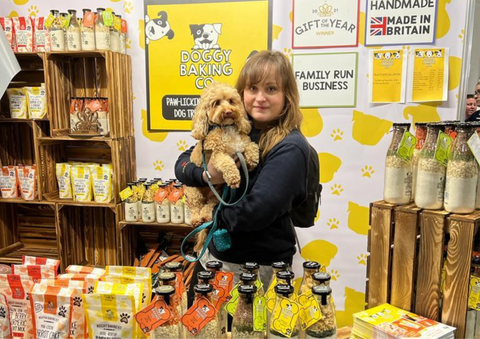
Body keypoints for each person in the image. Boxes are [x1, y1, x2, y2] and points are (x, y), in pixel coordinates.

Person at [175, 50, 309, 288]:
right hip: (213, 260)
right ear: (242, 93)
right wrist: (206, 175)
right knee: (203, 325)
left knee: (244, 327)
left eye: (271, 89)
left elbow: (254, 213)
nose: (260, 98)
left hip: (255, 269)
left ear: (286, 95)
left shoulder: (290, 147)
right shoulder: (234, 129)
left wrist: (211, 216)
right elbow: (183, 164)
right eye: (253, 89)